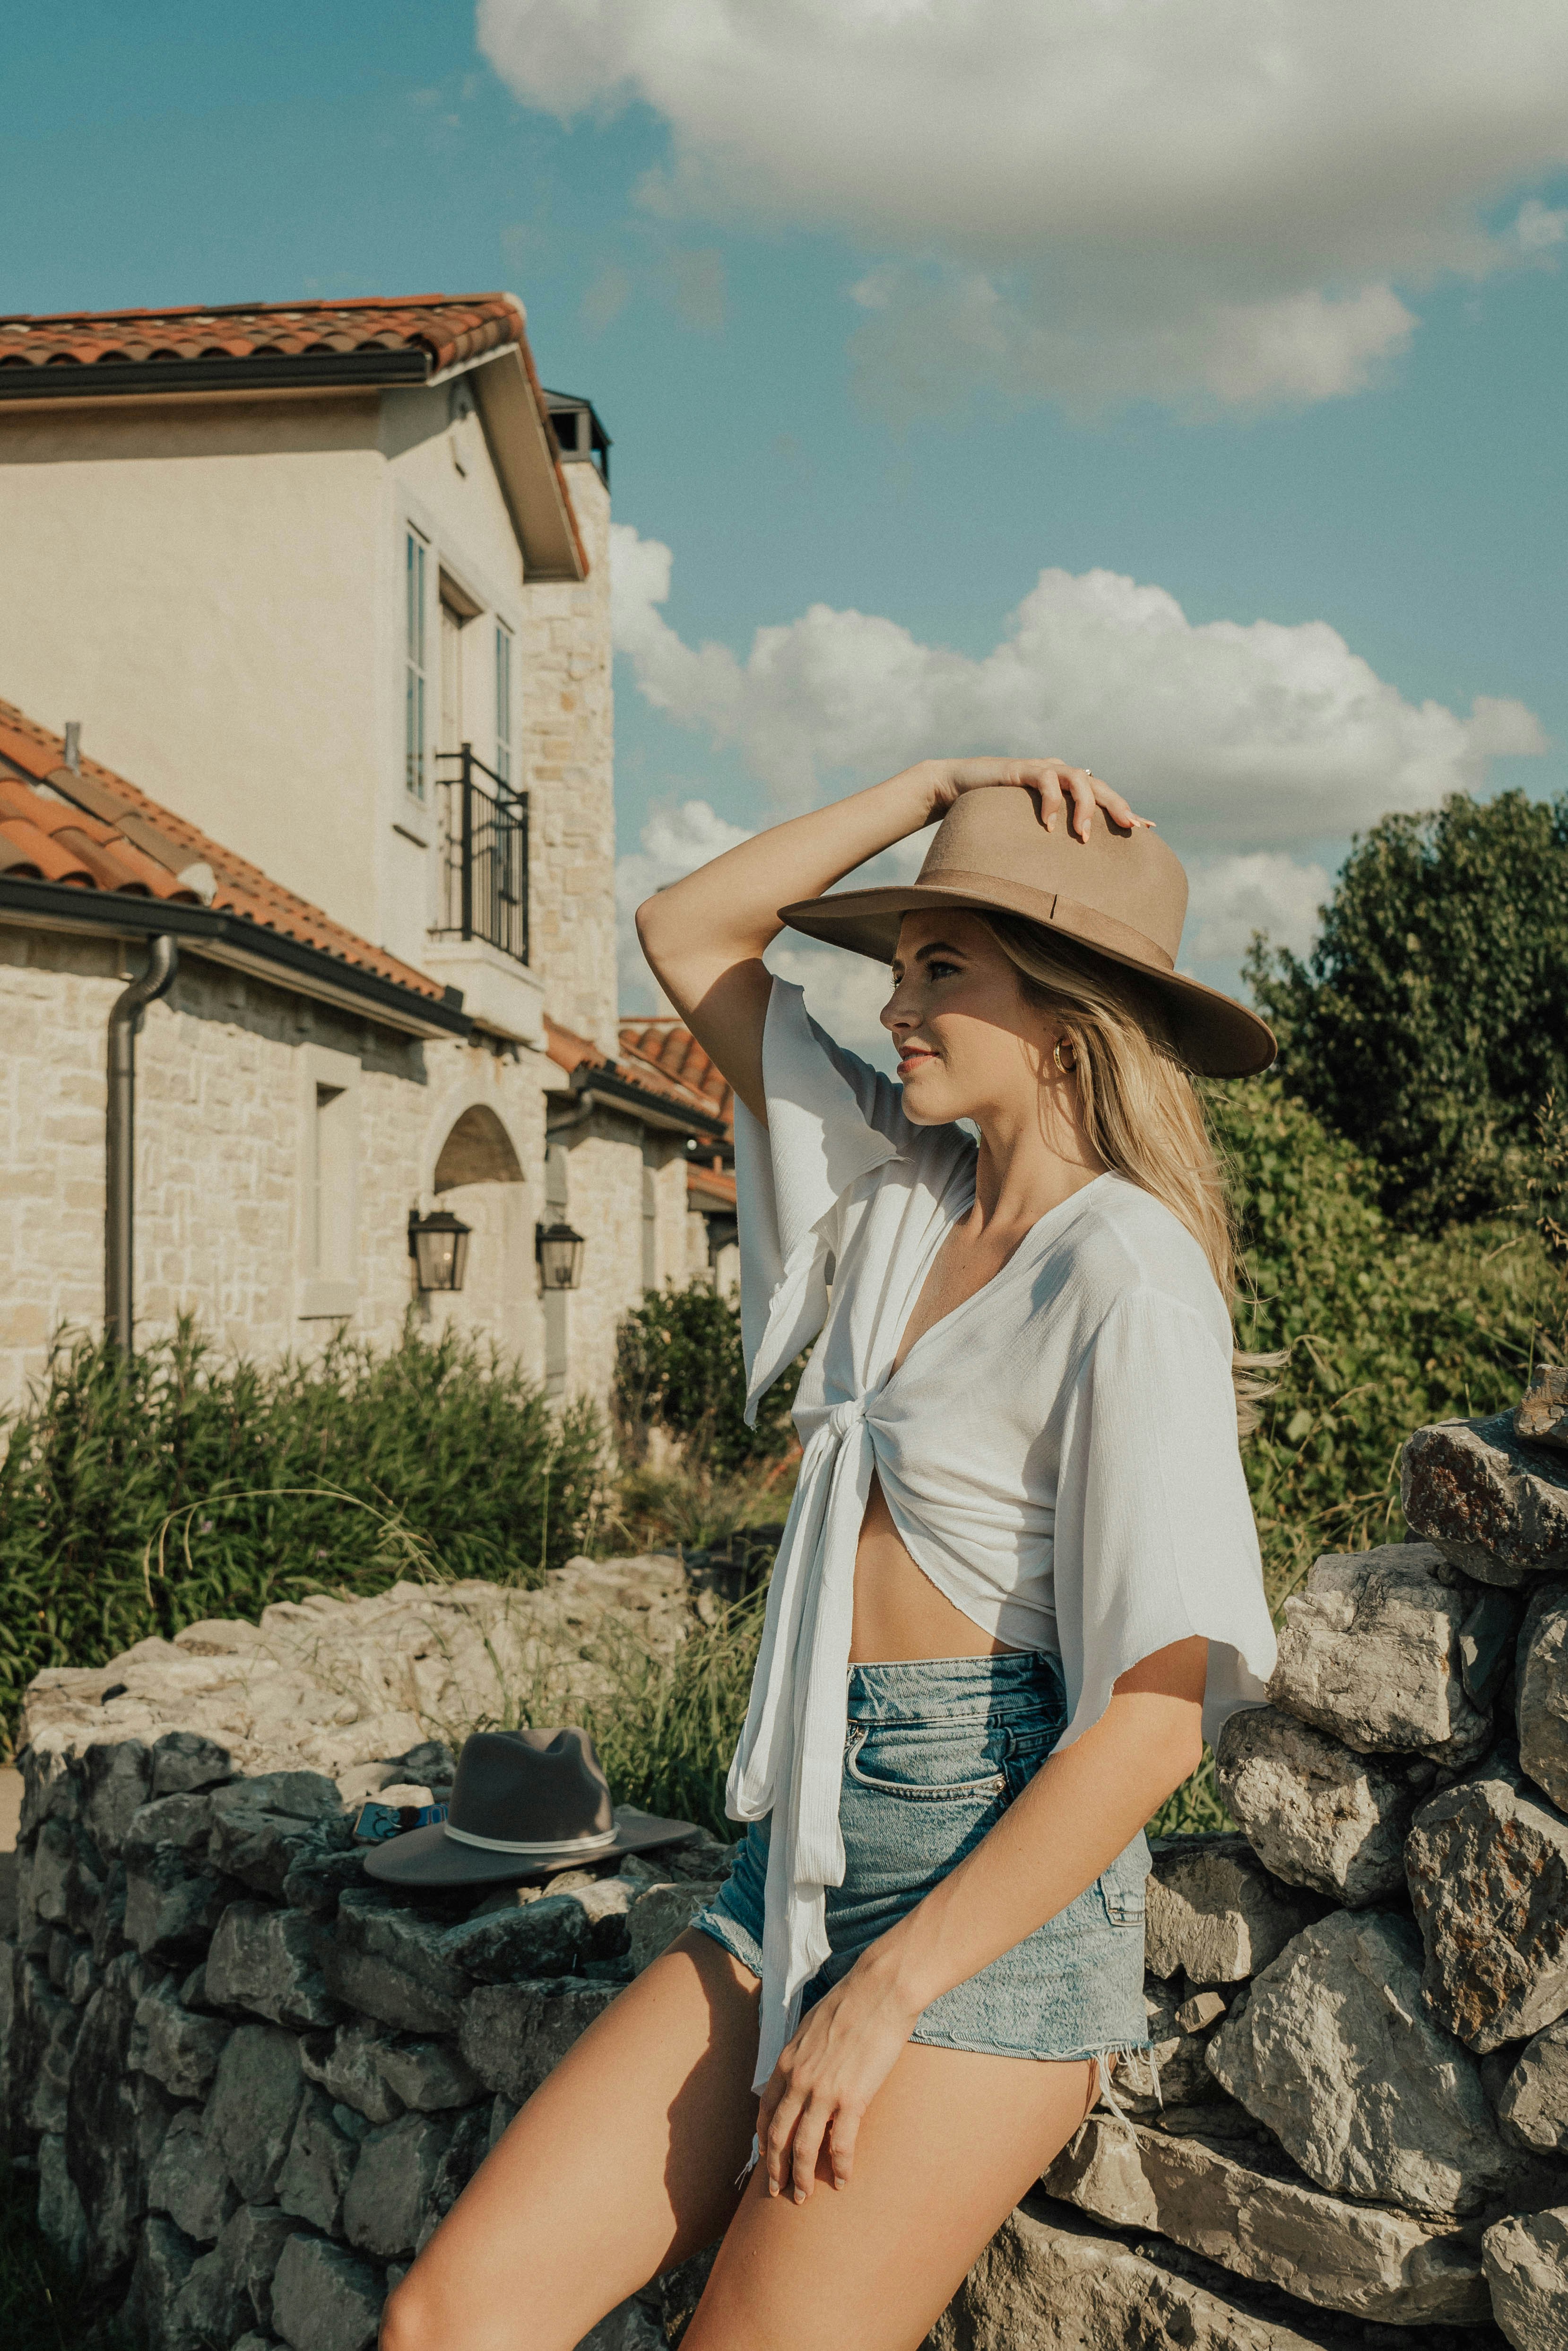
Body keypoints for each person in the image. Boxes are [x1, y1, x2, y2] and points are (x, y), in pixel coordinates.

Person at [382, 757, 1279, 2351]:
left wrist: (892, 1990)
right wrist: (942, 779)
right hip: (793, 1856)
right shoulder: (897, 1192)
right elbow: (688, 922)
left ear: (1067, 1017)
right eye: (898, 965)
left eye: (945, 967)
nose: (895, 1007)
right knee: (452, 2319)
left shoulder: (1128, 1275)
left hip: (985, 1898)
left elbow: (1155, 1711)